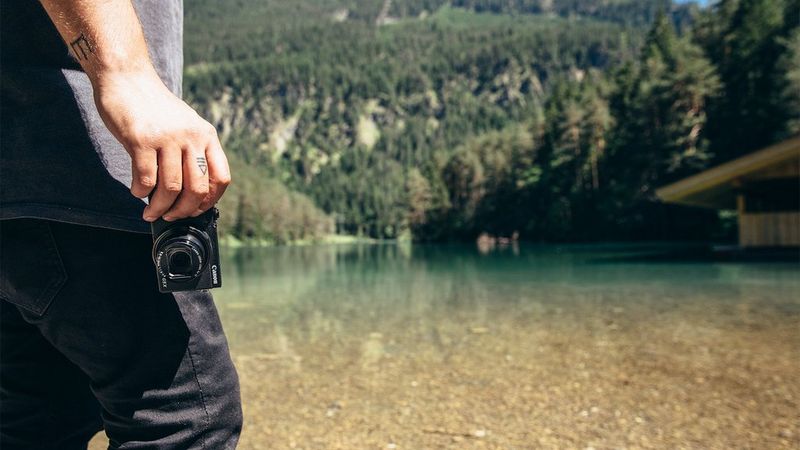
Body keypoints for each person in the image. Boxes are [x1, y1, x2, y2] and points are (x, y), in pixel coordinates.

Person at [0, 0, 243, 448]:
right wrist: (124, 72)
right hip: (79, 174)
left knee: (38, 415)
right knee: (185, 421)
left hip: (24, 183)